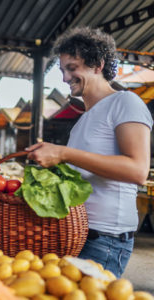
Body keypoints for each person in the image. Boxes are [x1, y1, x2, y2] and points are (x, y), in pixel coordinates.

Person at [26, 27, 153, 278]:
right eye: (62, 70)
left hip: (105, 240)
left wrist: (64, 154)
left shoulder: (125, 102)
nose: (64, 77)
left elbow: (137, 170)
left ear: (98, 65)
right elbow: (83, 172)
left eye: (72, 68)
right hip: (76, 233)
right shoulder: (84, 119)